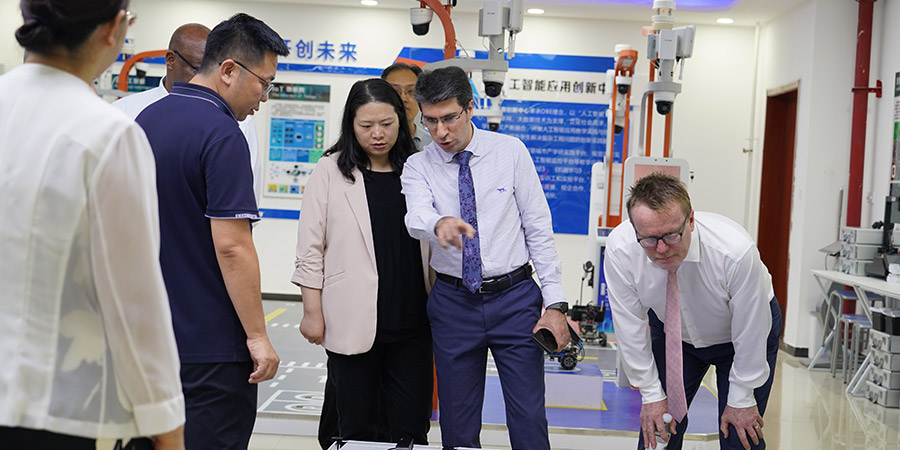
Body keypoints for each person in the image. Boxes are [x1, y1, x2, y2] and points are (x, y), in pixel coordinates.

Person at [0, 1, 185, 449]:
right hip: (50, 407)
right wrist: (167, 426)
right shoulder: (106, 134)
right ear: (115, 28)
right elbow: (132, 298)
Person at [134, 13, 288, 450]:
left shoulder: (146, 121)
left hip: (150, 339)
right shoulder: (222, 134)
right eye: (264, 82)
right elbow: (233, 247)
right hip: (211, 351)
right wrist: (258, 337)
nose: (264, 97)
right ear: (228, 71)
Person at [400, 65, 569, 450]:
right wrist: (438, 222)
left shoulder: (509, 152)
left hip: (516, 299)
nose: (440, 132)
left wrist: (555, 302)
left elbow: (538, 229)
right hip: (453, 303)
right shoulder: (418, 166)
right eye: (430, 121)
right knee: (457, 419)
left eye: (449, 118)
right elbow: (415, 216)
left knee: (527, 416)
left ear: (470, 108)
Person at [294, 78, 434, 446]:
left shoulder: (418, 168)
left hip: (412, 320)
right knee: (356, 427)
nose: (377, 135)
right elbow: (310, 247)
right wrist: (312, 311)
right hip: (351, 318)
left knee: (412, 427)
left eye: (387, 124)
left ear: (401, 122)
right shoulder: (330, 170)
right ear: (350, 125)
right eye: (366, 126)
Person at [604, 173, 782, 450]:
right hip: (674, 335)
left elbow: (751, 328)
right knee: (659, 431)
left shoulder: (733, 251)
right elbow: (630, 326)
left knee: (740, 435)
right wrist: (651, 394)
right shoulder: (621, 251)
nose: (661, 249)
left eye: (672, 236)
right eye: (649, 240)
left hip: (742, 335)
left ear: (691, 220)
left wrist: (742, 396)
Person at [113, 23, 264, 201]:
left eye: (211, 69)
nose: (204, 77)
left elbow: (247, 195)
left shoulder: (238, 122)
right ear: (171, 60)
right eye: (198, 68)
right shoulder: (124, 113)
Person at [381, 62, 432, 150]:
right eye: (395, 91)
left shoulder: (432, 145)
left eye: (410, 91)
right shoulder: (373, 142)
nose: (403, 98)